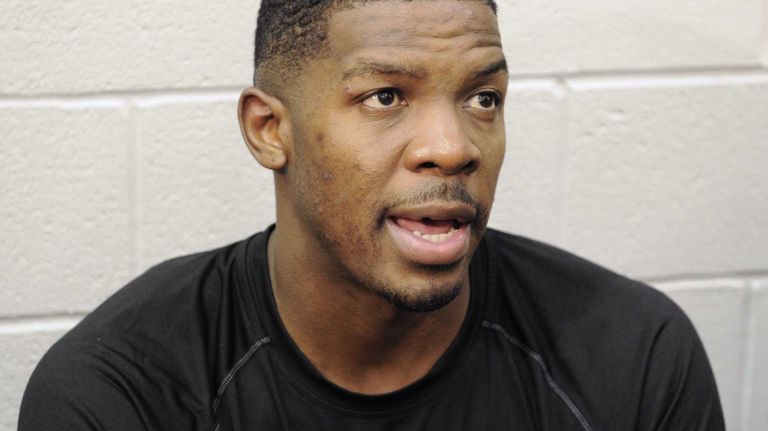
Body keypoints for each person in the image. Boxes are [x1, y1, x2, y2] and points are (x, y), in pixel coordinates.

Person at [19, 1, 724, 430]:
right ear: (270, 129)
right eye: (386, 96)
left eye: (483, 98)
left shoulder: (632, 355)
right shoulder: (120, 395)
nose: (452, 148)